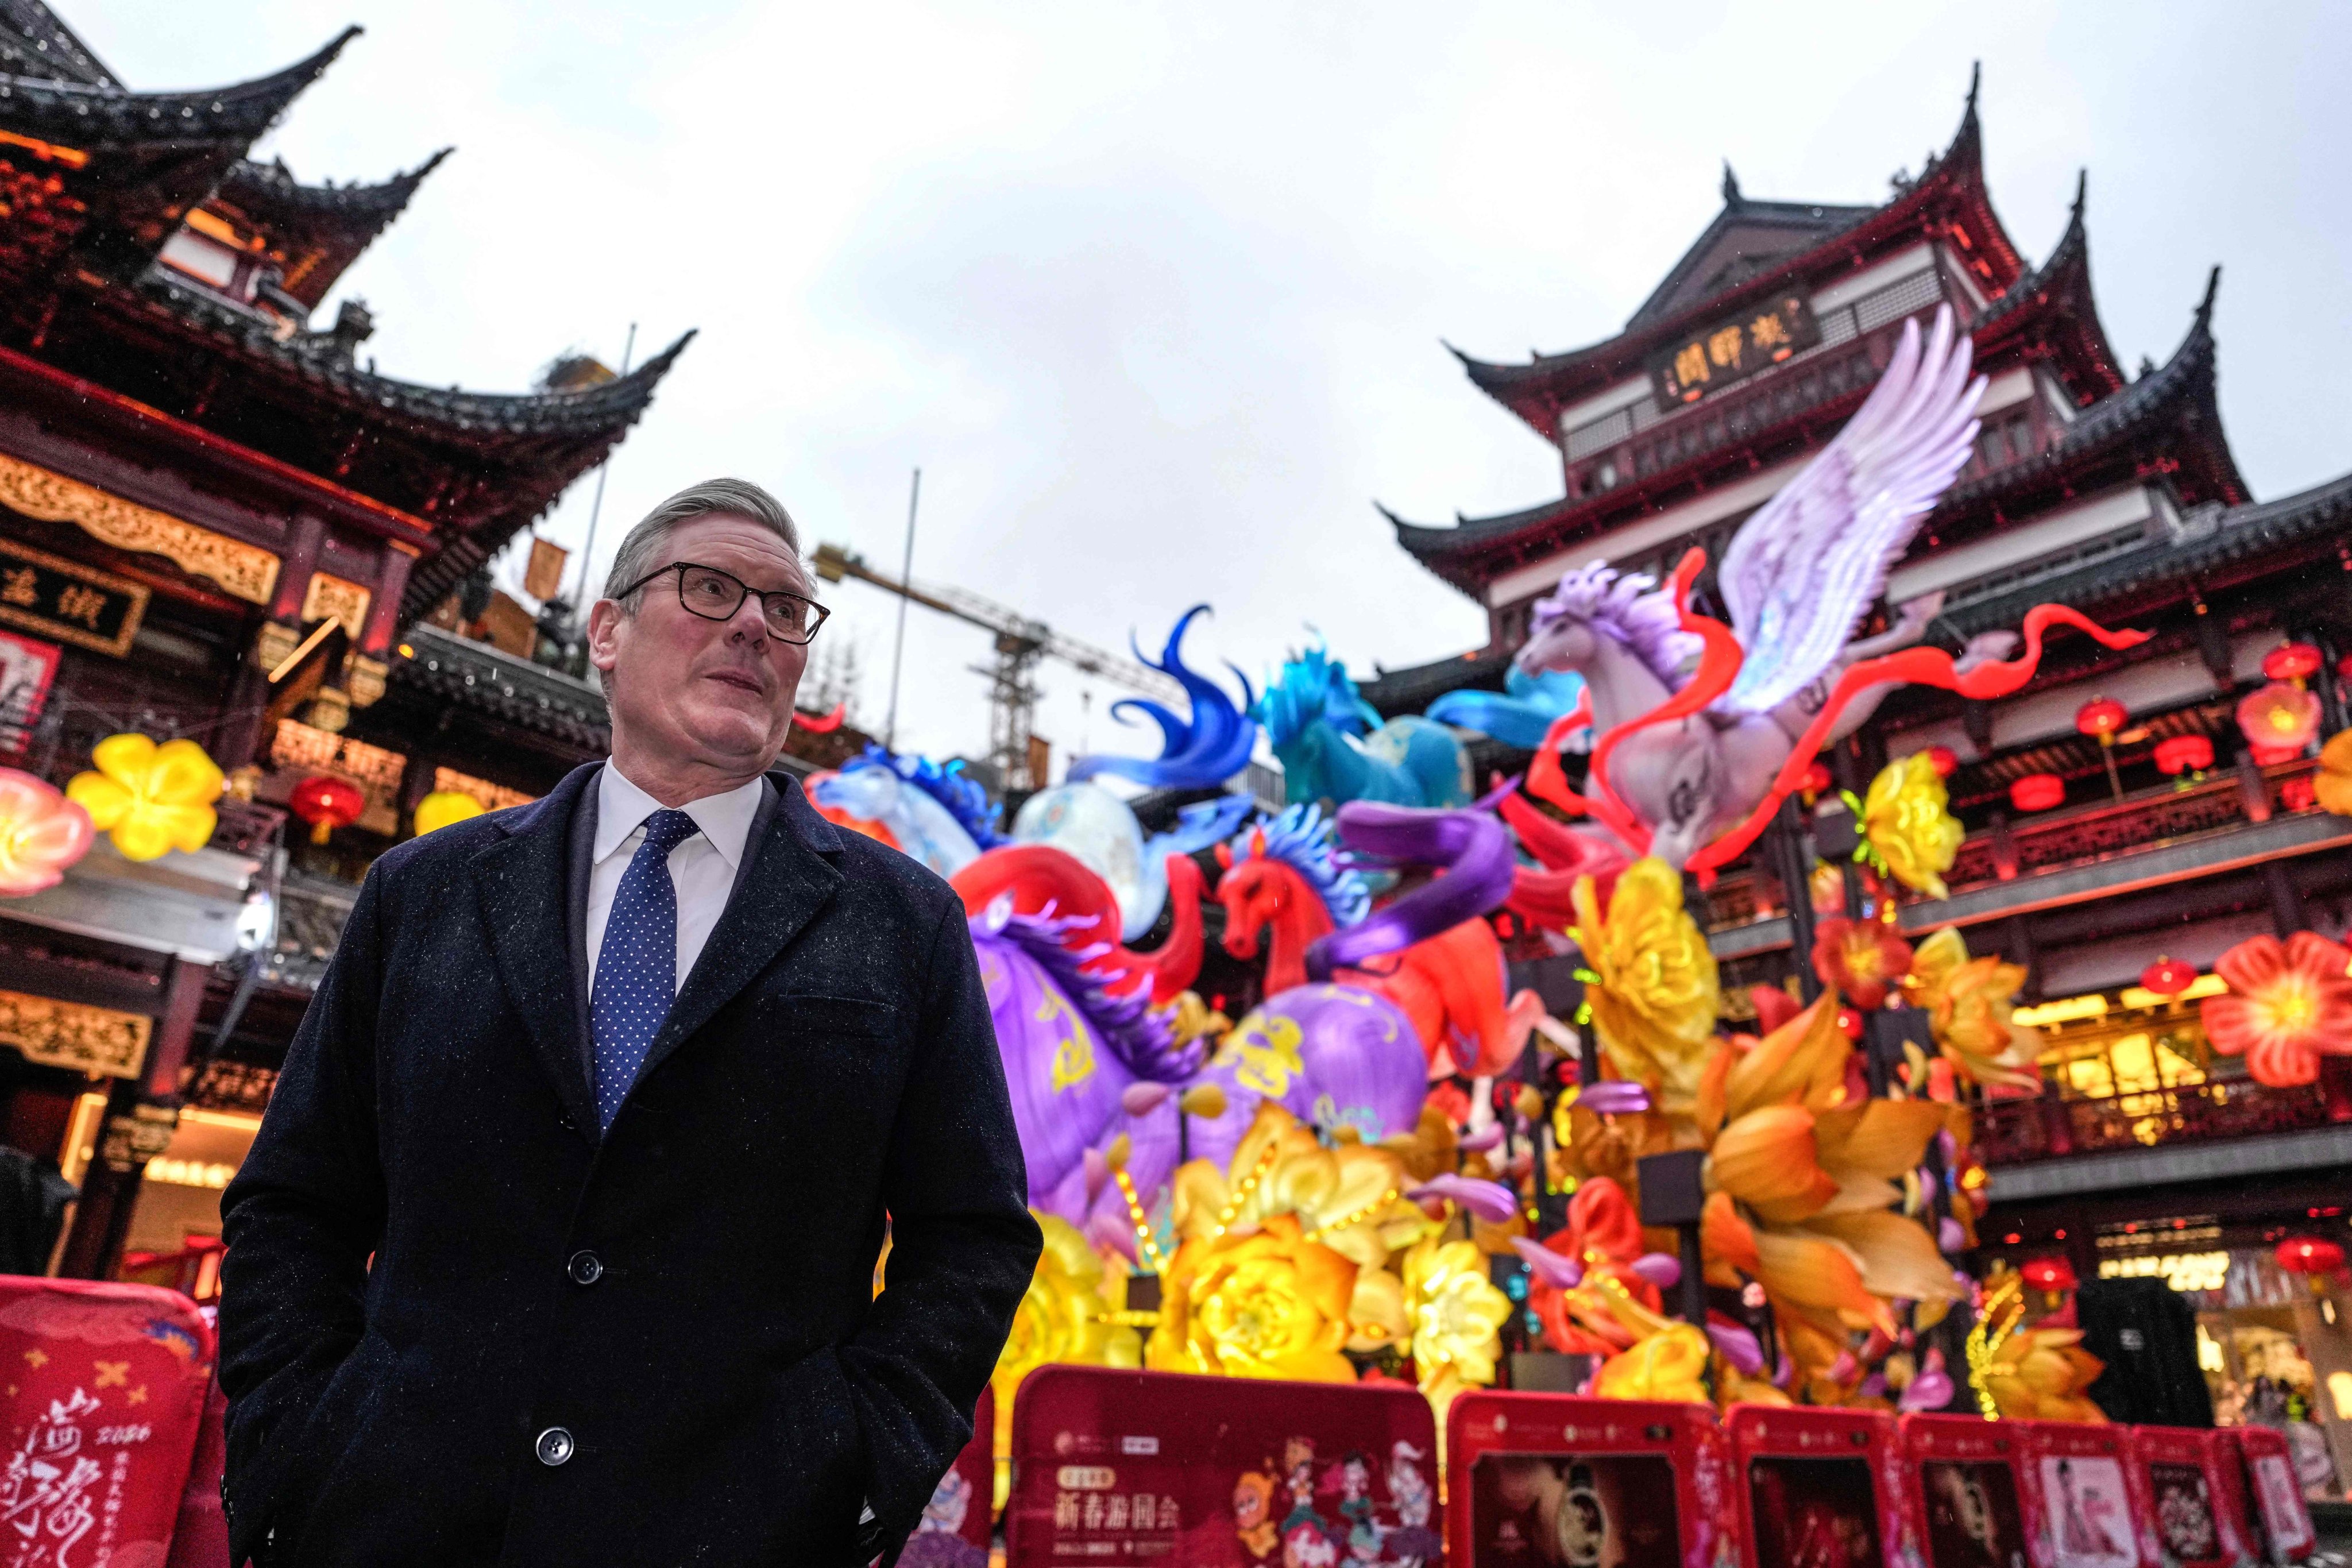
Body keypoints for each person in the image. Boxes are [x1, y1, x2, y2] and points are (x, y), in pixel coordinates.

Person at [217, 478, 1041, 1566]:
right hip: (393, 1518)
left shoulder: (901, 923)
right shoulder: (427, 891)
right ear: (606, 630)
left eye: (787, 610)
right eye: (710, 588)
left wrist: (856, 1463)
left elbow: (972, 1235)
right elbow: (295, 1201)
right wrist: (297, 1439)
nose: (755, 623)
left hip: (740, 1531)